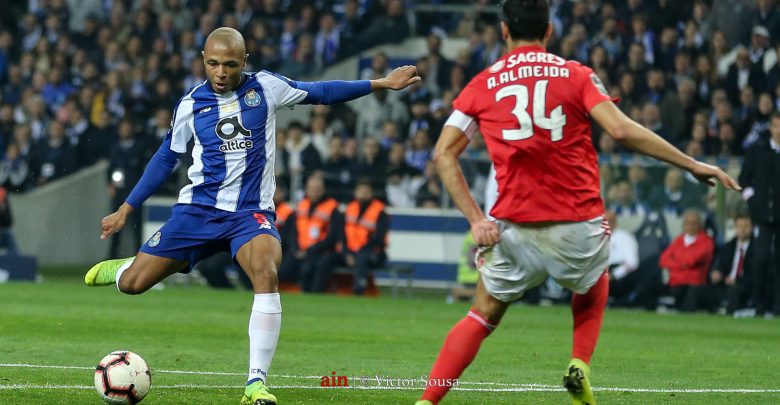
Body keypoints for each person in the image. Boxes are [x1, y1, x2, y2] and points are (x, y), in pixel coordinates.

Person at [414, 2, 740, 405]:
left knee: (481, 315)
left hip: (512, 227)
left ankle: (427, 400)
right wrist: (691, 163)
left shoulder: (481, 84)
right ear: (549, 30)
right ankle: (579, 363)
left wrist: (476, 219)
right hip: (577, 224)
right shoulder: (575, 74)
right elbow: (621, 130)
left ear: (504, 31)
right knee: (595, 281)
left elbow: (443, 153)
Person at [83, 27, 420, 405]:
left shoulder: (267, 87)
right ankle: (127, 267)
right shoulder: (190, 104)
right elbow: (166, 158)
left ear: (244, 61)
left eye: (230, 64)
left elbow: (322, 91)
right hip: (198, 211)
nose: (221, 72)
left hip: (250, 214)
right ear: (203, 60)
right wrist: (127, 208)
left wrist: (381, 83)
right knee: (133, 285)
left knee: (266, 272)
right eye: (213, 64)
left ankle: (255, 384)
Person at [739, 113, 780, 318]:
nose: (779, 130)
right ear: (770, 127)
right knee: (760, 258)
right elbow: (744, 179)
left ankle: (778, 307)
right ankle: (759, 304)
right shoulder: (757, 150)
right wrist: (752, 200)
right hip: (762, 216)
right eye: (776, 126)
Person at [278, 175, 343, 293]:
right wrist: (295, 249)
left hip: (319, 251)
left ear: (324, 190)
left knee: (308, 269)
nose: (314, 192)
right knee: (282, 270)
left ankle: (311, 292)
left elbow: (333, 236)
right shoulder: (301, 205)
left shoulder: (332, 208)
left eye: (318, 189)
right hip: (299, 250)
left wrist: (310, 251)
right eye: (311, 189)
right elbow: (293, 231)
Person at [336, 180, 389, 295]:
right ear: (355, 192)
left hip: (373, 253)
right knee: (326, 258)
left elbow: (378, 238)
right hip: (351, 252)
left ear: (372, 193)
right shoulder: (349, 209)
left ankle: (359, 290)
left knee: (362, 258)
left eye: (366, 192)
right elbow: (342, 235)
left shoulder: (380, 212)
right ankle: (318, 291)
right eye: (360, 191)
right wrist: (347, 254)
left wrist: (358, 253)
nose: (363, 195)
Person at [658, 210, 715, 312]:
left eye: (694, 223)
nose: (690, 226)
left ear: (700, 225)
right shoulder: (678, 240)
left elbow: (691, 260)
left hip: (694, 284)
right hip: (675, 282)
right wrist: (681, 264)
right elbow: (663, 260)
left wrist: (675, 262)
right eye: (687, 223)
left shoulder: (707, 241)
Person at [710, 214, 754, 315]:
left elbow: (755, 274)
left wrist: (737, 281)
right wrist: (718, 273)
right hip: (725, 284)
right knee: (701, 290)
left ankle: (730, 316)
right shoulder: (728, 246)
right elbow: (720, 265)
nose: (742, 230)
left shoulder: (756, 248)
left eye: (746, 226)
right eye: (739, 226)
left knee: (733, 291)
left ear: (752, 228)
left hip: (745, 286)